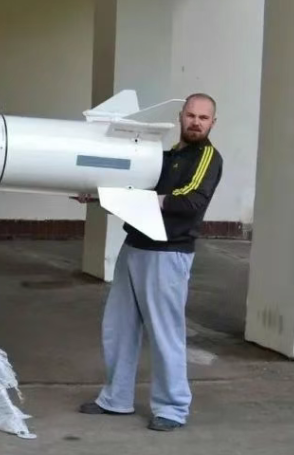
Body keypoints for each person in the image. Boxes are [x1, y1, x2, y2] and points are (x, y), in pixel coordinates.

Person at [77, 93, 222, 431]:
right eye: (191, 115)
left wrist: (142, 197)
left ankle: (172, 409)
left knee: (165, 333)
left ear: (213, 123)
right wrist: (96, 197)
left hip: (168, 253)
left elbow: (191, 201)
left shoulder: (207, 158)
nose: (196, 122)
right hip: (135, 246)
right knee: (118, 328)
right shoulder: (165, 156)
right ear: (180, 117)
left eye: (203, 117)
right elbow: (132, 190)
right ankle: (116, 398)